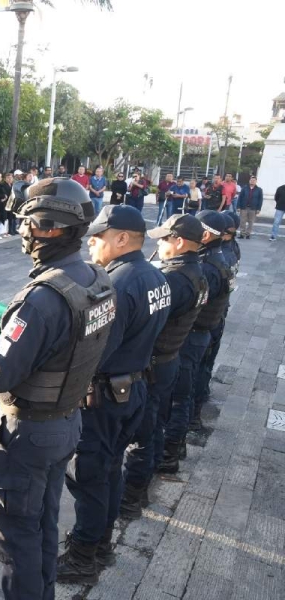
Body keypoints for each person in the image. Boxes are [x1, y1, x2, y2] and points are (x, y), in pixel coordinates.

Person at [0, 178, 116, 600]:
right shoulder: (97, 279)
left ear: (50, 227)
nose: (24, 233)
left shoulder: (42, 298)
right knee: (44, 525)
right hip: (66, 421)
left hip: (27, 433)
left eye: (29, 224)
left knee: (17, 538)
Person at [58, 205, 170, 583]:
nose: (91, 243)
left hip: (105, 398)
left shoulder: (117, 283)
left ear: (121, 238)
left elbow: (97, 351)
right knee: (108, 472)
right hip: (133, 388)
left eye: (98, 236)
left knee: (89, 476)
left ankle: (84, 557)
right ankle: (99, 544)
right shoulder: (154, 275)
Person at [119, 214, 208, 519]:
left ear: (179, 242)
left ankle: (130, 497)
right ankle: (139, 488)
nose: (158, 244)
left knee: (142, 434)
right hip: (169, 359)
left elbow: (149, 321)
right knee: (153, 426)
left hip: (155, 363)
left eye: (164, 239)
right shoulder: (195, 272)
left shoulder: (176, 279)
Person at [159, 210, 232, 472]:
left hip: (192, 337)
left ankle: (170, 453)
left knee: (180, 398)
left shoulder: (207, 267)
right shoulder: (214, 260)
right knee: (183, 394)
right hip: (199, 333)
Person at [191, 211, 239, 432]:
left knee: (197, 373)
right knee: (203, 368)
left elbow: (197, 302)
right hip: (214, 320)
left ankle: (192, 417)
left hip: (203, 325)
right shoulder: (225, 254)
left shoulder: (210, 264)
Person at [0, 172, 12, 239]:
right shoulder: (3, 185)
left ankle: (5, 231)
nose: (10, 179)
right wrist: (4, 197)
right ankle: (0, 232)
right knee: (1, 218)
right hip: (2, 203)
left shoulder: (10, 185)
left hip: (8, 203)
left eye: (11, 178)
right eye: (8, 178)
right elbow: (0, 194)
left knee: (6, 218)